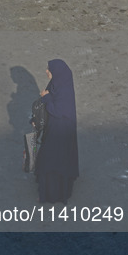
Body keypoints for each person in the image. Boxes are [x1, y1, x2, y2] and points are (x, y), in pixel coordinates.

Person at [34, 59, 79, 203]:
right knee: (55, 161)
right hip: (55, 129)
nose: (47, 71)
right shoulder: (57, 84)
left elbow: (58, 111)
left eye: (49, 69)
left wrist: (46, 98)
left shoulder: (63, 90)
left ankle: (51, 195)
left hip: (59, 133)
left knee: (50, 162)